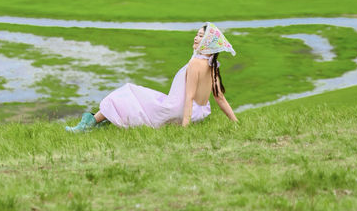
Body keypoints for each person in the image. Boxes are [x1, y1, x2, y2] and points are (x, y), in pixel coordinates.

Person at [65, 22, 238, 132]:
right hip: (197, 113)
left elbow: (189, 97)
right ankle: (102, 122)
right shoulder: (213, 65)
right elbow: (219, 98)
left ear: (209, 43)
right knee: (141, 97)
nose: (196, 37)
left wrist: (185, 128)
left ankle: (88, 124)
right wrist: (235, 122)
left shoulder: (196, 64)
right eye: (197, 34)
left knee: (128, 92)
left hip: (177, 110)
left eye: (201, 36)